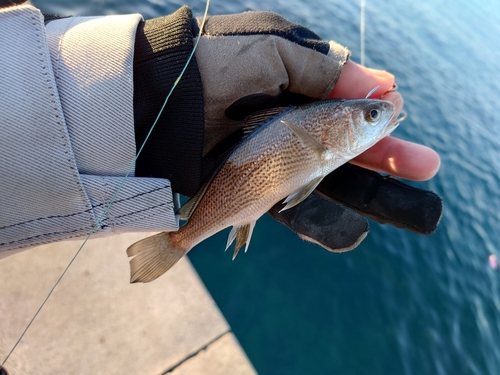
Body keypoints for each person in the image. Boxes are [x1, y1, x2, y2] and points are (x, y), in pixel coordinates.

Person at [0, 2, 441, 260]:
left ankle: (184, 236)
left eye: (371, 116)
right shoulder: (319, 140)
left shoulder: (325, 142)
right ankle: (180, 239)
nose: (377, 116)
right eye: (368, 116)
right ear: (335, 130)